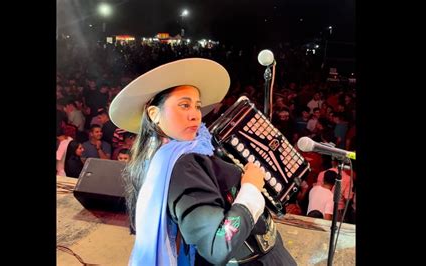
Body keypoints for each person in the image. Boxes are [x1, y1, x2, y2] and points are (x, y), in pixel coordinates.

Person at [109, 58, 297, 265]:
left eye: (197, 106)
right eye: (184, 105)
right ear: (154, 114)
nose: (195, 116)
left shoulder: (163, 155)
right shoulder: (182, 165)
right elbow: (217, 246)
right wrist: (250, 188)